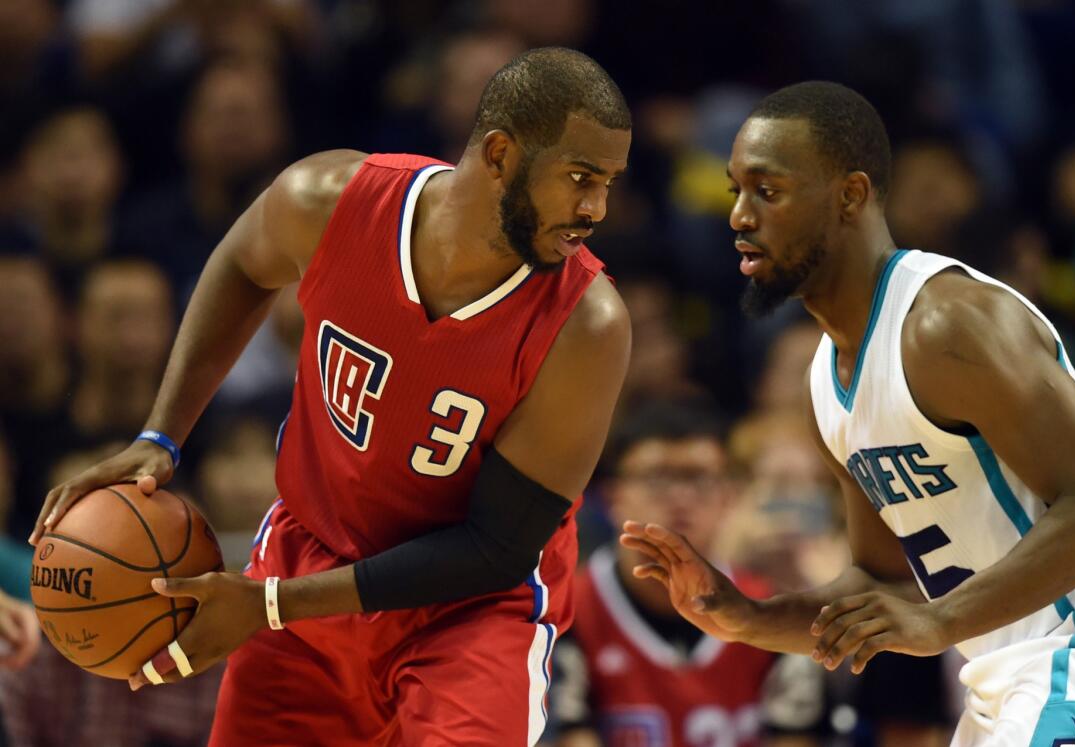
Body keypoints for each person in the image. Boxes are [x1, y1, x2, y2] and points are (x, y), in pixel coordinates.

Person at [30, 47, 632, 746]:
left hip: (466, 612)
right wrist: (160, 437)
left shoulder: (586, 323)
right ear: (500, 155)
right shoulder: (330, 200)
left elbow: (494, 547)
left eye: (609, 184)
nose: (596, 208)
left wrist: (270, 605)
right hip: (309, 559)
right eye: (581, 179)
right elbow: (240, 265)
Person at [622, 81, 1075, 745]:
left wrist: (941, 621)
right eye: (735, 192)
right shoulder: (826, 382)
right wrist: (744, 616)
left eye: (767, 190)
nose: (740, 216)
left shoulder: (946, 323)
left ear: (851, 195)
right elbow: (884, 585)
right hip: (1008, 670)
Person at [549, 402, 824, 747]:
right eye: (658, 478)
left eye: (699, 478)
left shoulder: (774, 613)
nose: (681, 496)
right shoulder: (564, 610)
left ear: (729, 496)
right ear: (613, 496)